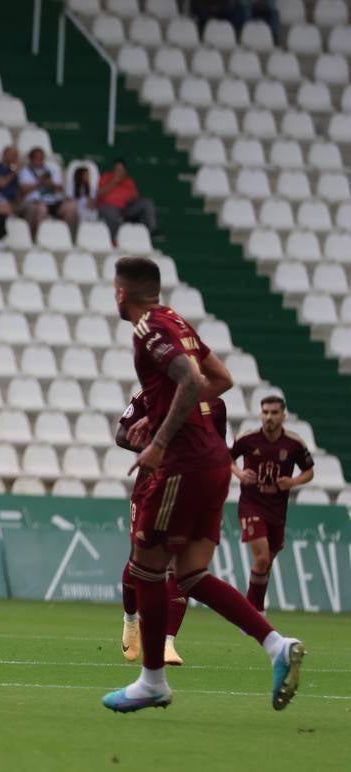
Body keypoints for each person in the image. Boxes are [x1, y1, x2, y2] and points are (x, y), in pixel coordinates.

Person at [101, 256, 304, 713]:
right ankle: (276, 644)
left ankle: (152, 680)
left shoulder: (147, 329)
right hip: (214, 463)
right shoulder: (177, 320)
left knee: (147, 568)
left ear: (120, 293)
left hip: (183, 462)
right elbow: (222, 379)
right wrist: (157, 414)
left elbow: (192, 380)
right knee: (190, 574)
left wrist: (158, 440)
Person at [114, 388, 225, 667]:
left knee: (181, 567)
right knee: (139, 563)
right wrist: (161, 449)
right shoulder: (150, 395)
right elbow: (121, 435)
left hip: (189, 492)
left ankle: (167, 643)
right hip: (150, 490)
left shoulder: (216, 405)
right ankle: (130, 620)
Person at [231, 396, 315, 613]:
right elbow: (226, 458)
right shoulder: (247, 439)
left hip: (277, 509)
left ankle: (249, 609)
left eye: (274, 413)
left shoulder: (294, 443)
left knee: (265, 563)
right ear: (261, 414)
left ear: (283, 415)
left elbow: (309, 471)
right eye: (265, 412)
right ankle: (255, 613)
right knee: (262, 557)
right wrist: (240, 473)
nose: (269, 417)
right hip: (251, 504)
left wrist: (293, 482)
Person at [17, 148, 77, 235]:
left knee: (71, 207)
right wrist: (39, 183)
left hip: (53, 202)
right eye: (37, 158)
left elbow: (60, 189)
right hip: (35, 202)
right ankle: (37, 238)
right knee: (42, 209)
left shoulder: (52, 169)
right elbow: (23, 190)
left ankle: (68, 238)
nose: (39, 160)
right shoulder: (25, 171)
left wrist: (50, 184)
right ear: (31, 159)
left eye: (41, 158)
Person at [96, 159, 156, 240]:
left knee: (147, 203)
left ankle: (152, 231)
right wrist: (113, 182)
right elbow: (99, 193)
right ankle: (112, 239)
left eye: (121, 170)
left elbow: (135, 197)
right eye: (117, 169)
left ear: (125, 171)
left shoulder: (129, 181)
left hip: (125, 208)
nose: (119, 172)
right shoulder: (106, 178)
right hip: (108, 207)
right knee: (112, 214)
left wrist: (131, 200)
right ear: (113, 170)